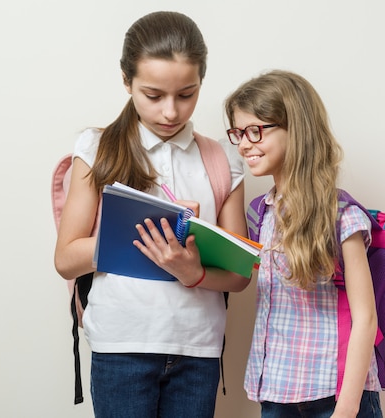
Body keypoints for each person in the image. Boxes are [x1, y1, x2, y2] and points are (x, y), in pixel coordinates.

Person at [54, 11, 249, 418]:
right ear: (127, 82)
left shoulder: (222, 159)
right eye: (153, 95)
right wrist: (148, 233)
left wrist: (191, 270)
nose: (171, 112)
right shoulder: (96, 148)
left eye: (186, 94)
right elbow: (66, 259)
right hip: (120, 346)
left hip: (198, 348)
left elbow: (241, 273)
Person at [224, 70, 383, 418]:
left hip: (333, 396)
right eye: (238, 132)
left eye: (256, 130)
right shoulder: (261, 214)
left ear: (295, 129)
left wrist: (347, 408)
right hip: (278, 393)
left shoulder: (340, 215)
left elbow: (366, 318)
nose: (244, 144)